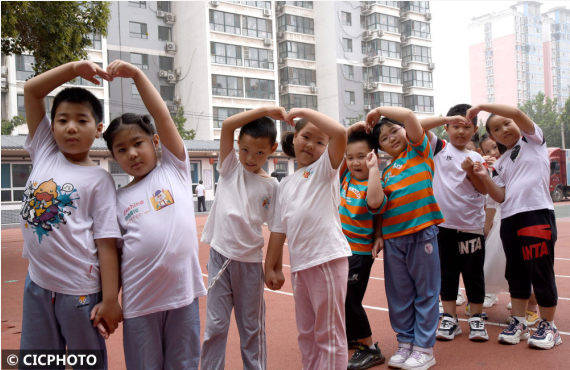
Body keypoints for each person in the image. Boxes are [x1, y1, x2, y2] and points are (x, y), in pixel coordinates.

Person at [102, 60, 206, 369]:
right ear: (114, 157)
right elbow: (110, 254)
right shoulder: (117, 199)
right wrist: (109, 299)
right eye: (121, 150)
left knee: (184, 364)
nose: (132, 153)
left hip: (183, 300)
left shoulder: (174, 169)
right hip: (139, 306)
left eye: (138, 143)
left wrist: (136, 75)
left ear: (155, 142)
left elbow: (161, 115)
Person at [19, 60, 122, 368]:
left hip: (79, 295)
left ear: (99, 128)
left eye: (82, 120)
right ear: (51, 128)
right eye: (62, 120)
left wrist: (110, 300)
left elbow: (106, 245)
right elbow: (31, 89)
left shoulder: (100, 181)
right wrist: (76, 68)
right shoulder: (45, 151)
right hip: (37, 285)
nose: (71, 127)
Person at [468, 103, 562, 349]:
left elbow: (518, 113)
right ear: (493, 136)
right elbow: (499, 196)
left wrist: (481, 107)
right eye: (496, 128)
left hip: (536, 215)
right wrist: (483, 176)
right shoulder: (501, 163)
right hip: (510, 219)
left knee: (540, 271)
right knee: (516, 273)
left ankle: (549, 326)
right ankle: (519, 321)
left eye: (506, 123)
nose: (504, 129)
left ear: (516, 124)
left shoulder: (534, 141)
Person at [264, 108, 351, 369]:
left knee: (329, 334)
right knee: (307, 333)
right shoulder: (285, 184)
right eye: (306, 137)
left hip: (326, 259)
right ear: (294, 138)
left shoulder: (326, 170)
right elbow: (279, 229)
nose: (311, 145)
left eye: (320, 142)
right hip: (301, 267)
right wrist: (271, 266)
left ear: (327, 148)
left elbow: (340, 134)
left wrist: (303, 111)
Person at [200, 106, 283, 369]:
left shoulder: (272, 187)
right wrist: (266, 110)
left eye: (260, 152)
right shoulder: (229, 168)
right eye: (245, 150)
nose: (250, 157)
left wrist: (272, 267)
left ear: (273, 149)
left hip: (249, 265)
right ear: (237, 146)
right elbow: (227, 125)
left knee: (252, 330)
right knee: (214, 327)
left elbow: (278, 229)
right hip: (219, 258)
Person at [366, 106, 443, 369]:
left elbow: (410, 116)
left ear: (405, 131)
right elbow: (377, 206)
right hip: (394, 240)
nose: (391, 138)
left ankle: (424, 348)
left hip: (422, 234)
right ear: (380, 148)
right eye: (384, 138)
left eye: (394, 131)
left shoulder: (420, 152)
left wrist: (378, 111)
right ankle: (406, 343)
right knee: (399, 294)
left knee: (426, 292)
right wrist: (378, 235)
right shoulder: (385, 173)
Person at [421, 104, 489, 342]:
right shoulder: (438, 148)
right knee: (446, 273)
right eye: (455, 126)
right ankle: (450, 318)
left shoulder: (477, 157)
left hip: (471, 226)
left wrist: (472, 173)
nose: (460, 131)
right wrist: (444, 117)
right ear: (446, 128)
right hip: (443, 227)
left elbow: (483, 190)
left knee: (473, 273)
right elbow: (416, 127)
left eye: (466, 127)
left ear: (475, 130)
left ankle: (477, 318)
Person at [340, 125, 385, 370]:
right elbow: (336, 148)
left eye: (362, 157)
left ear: (372, 156)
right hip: (340, 250)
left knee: (350, 298)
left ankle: (369, 347)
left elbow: (376, 203)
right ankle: (352, 337)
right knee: (341, 296)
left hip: (359, 253)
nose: (355, 162)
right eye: (350, 157)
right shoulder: (345, 176)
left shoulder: (375, 181)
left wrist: (374, 169)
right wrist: (351, 131)